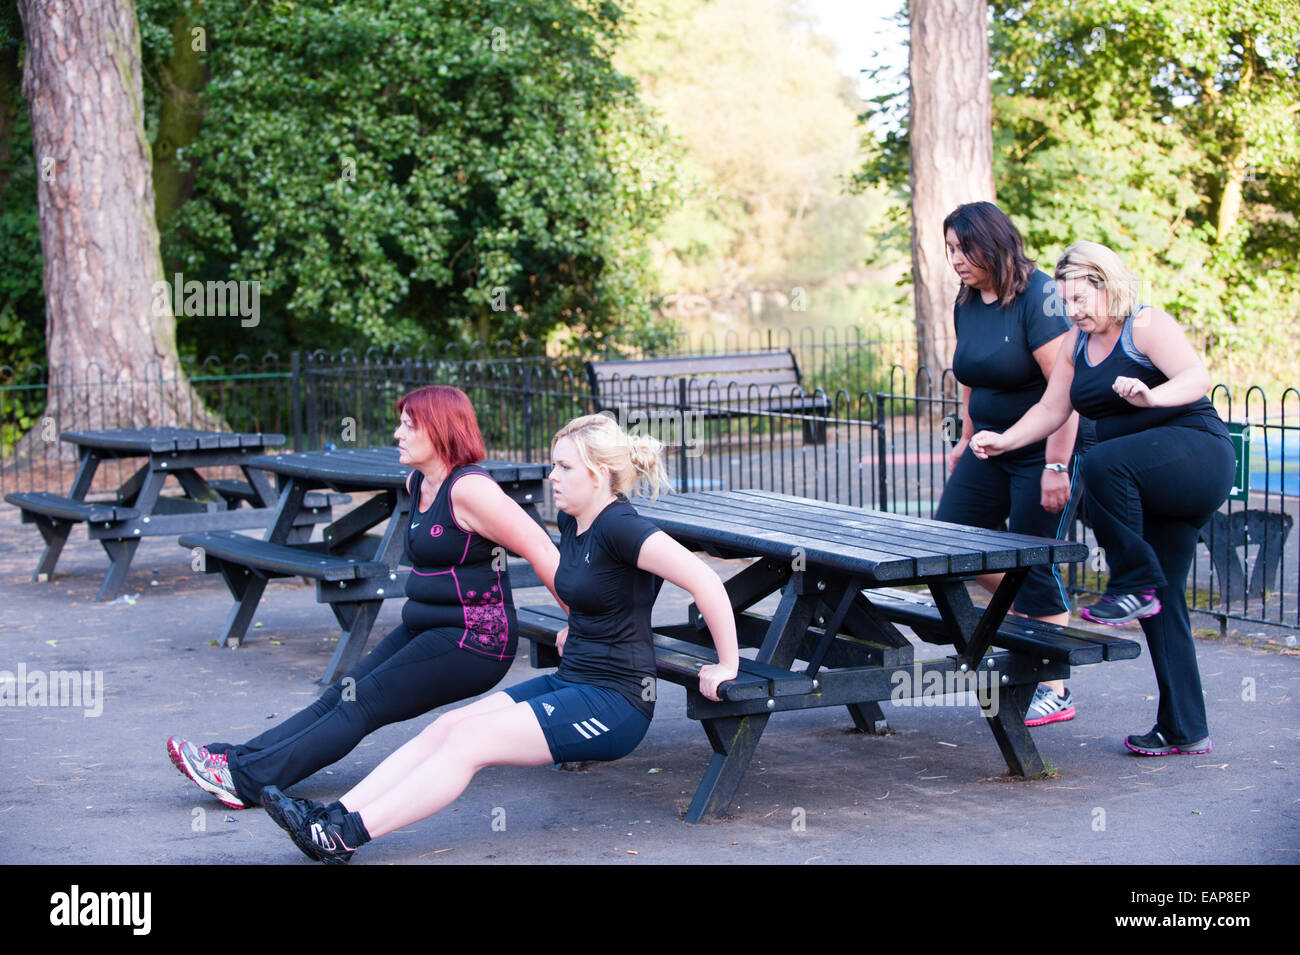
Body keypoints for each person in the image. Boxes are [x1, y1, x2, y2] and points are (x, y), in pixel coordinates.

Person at [261, 413, 741, 862]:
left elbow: (706, 582)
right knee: (445, 728)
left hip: (616, 703)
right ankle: (332, 817)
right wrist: (580, 626)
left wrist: (726, 666)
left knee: (470, 743)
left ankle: (345, 836)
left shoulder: (623, 526)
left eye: (563, 466)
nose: (552, 475)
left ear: (597, 475)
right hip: (573, 680)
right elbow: (606, 589)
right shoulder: (574, 521)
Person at [165, 385, 563, 808]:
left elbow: (542, 549)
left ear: (441, 430)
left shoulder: (470, 490)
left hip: (475, 641)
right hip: (428, 625)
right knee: (345, 692)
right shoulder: (419, 482)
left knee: (363, 705)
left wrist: (580, 624)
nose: (398, 434)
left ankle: (243, 782)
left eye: (409, 426)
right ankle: (237, 759)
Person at [969, 241, 1234, 756]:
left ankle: (1132, 582)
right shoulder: (1073, 345)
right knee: (1164, 601)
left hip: (1196, 455)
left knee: (1097, 462)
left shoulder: (1144, 325)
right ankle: (1184, 727)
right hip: (1145, 480)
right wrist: (1004, 439)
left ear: (1107, 285)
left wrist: (1152, 396)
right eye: (1065, 303)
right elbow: (1052, 408)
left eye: (1080, 300)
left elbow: (1198, 377)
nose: (1073, 312)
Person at [936, 201, 1082, 727]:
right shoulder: (967, 299)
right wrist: (967, 435)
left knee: (1031, 555)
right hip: (987, 449)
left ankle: (1054, 684)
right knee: (952, 539)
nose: (955, 259)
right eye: (949, 248)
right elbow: (971, 374)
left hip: (1041, 453)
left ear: (994, 243)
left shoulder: (1038, 297)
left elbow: (1066, 393)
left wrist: (1057, 465)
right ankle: (1027, 609)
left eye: (964, 248)